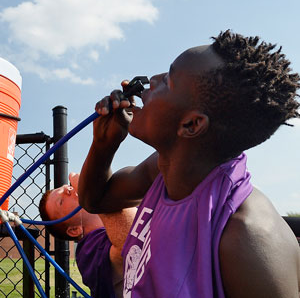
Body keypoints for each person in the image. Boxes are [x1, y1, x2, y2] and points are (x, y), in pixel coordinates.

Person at [78, 30, 300, 297]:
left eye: (168, 80)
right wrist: (104, 143)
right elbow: (95, 200)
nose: (152, 80)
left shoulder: (250, 238)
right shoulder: (162, 170)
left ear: (191, 125)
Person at [39, 172, 136, 298]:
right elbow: (132, 243)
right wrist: (90, 190)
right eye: (61, 201)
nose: (69, 189)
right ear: (75, 230)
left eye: (67, 187)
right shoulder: (87, 252)